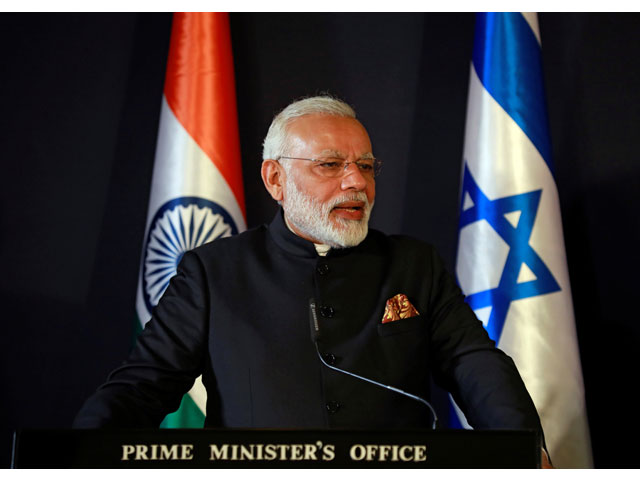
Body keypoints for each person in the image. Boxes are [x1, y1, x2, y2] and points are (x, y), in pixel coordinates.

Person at [74, 95, 549, 465]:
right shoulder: (213, 271)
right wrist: (77, 457)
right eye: (330, 165)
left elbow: (475, 365)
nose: (356, 182)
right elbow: (145, 383)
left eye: (365, 166)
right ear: (275, 180)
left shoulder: (413, 264)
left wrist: (524, 450)